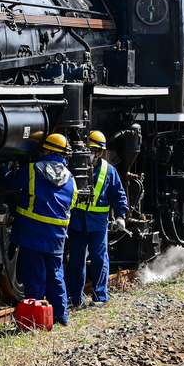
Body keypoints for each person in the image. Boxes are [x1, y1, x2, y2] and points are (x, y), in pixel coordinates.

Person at [6, 133, 78, 326]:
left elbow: (9, 183)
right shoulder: (71, 179)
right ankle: (61, 317)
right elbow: (71, 205)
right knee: (56, 275)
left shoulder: (31, 170)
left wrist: (1, 169)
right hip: (56, 238)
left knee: (35, 275)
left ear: (45, 150)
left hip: (32, 233)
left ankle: (35, 318)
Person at [66, 130, 128, 309]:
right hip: (78, 222)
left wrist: (121, 216)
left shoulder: (109, 171)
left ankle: (100, 296)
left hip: (98, 224)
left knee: (99, 259)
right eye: (89, 149)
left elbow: (119, 195)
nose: (91, 153)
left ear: (100, 152)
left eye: (94, 150)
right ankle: (75, 299)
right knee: (76, 261)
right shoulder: (75, 167)